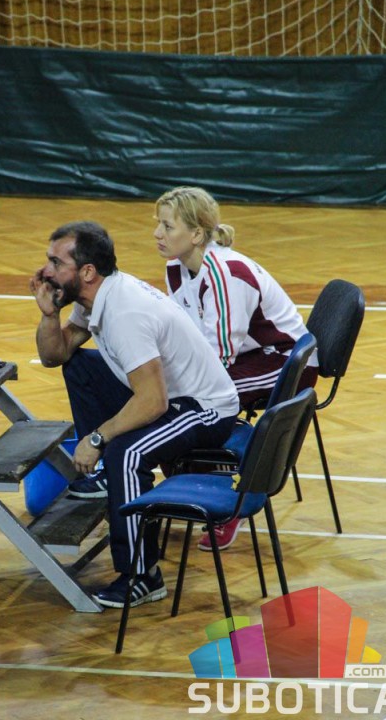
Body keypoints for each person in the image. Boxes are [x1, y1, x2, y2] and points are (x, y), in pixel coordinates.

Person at [30, 221, 238, 609]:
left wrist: (97, 438)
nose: (46, 272)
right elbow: (54, 355)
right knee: (78, 366)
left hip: (204, 408)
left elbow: (153, 402)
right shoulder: (96, 297)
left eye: (56, 263)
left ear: (87, 272)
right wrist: (48, 315)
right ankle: (106, 475)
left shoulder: (125, 313)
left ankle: (142, 576)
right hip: (166, 396)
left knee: (125, 453)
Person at [154, 186, 318, 552]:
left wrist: (170, 384)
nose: (157, 233)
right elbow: (184, 335)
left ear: (196, 234)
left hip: (286, 361)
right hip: (248, 354)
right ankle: (195, 480)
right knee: (169, 396)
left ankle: (234, 497)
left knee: (191, 402)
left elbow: (219, 357)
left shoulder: (224, 273)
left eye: (167, 226)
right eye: (159, 224)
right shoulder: (176, 268)